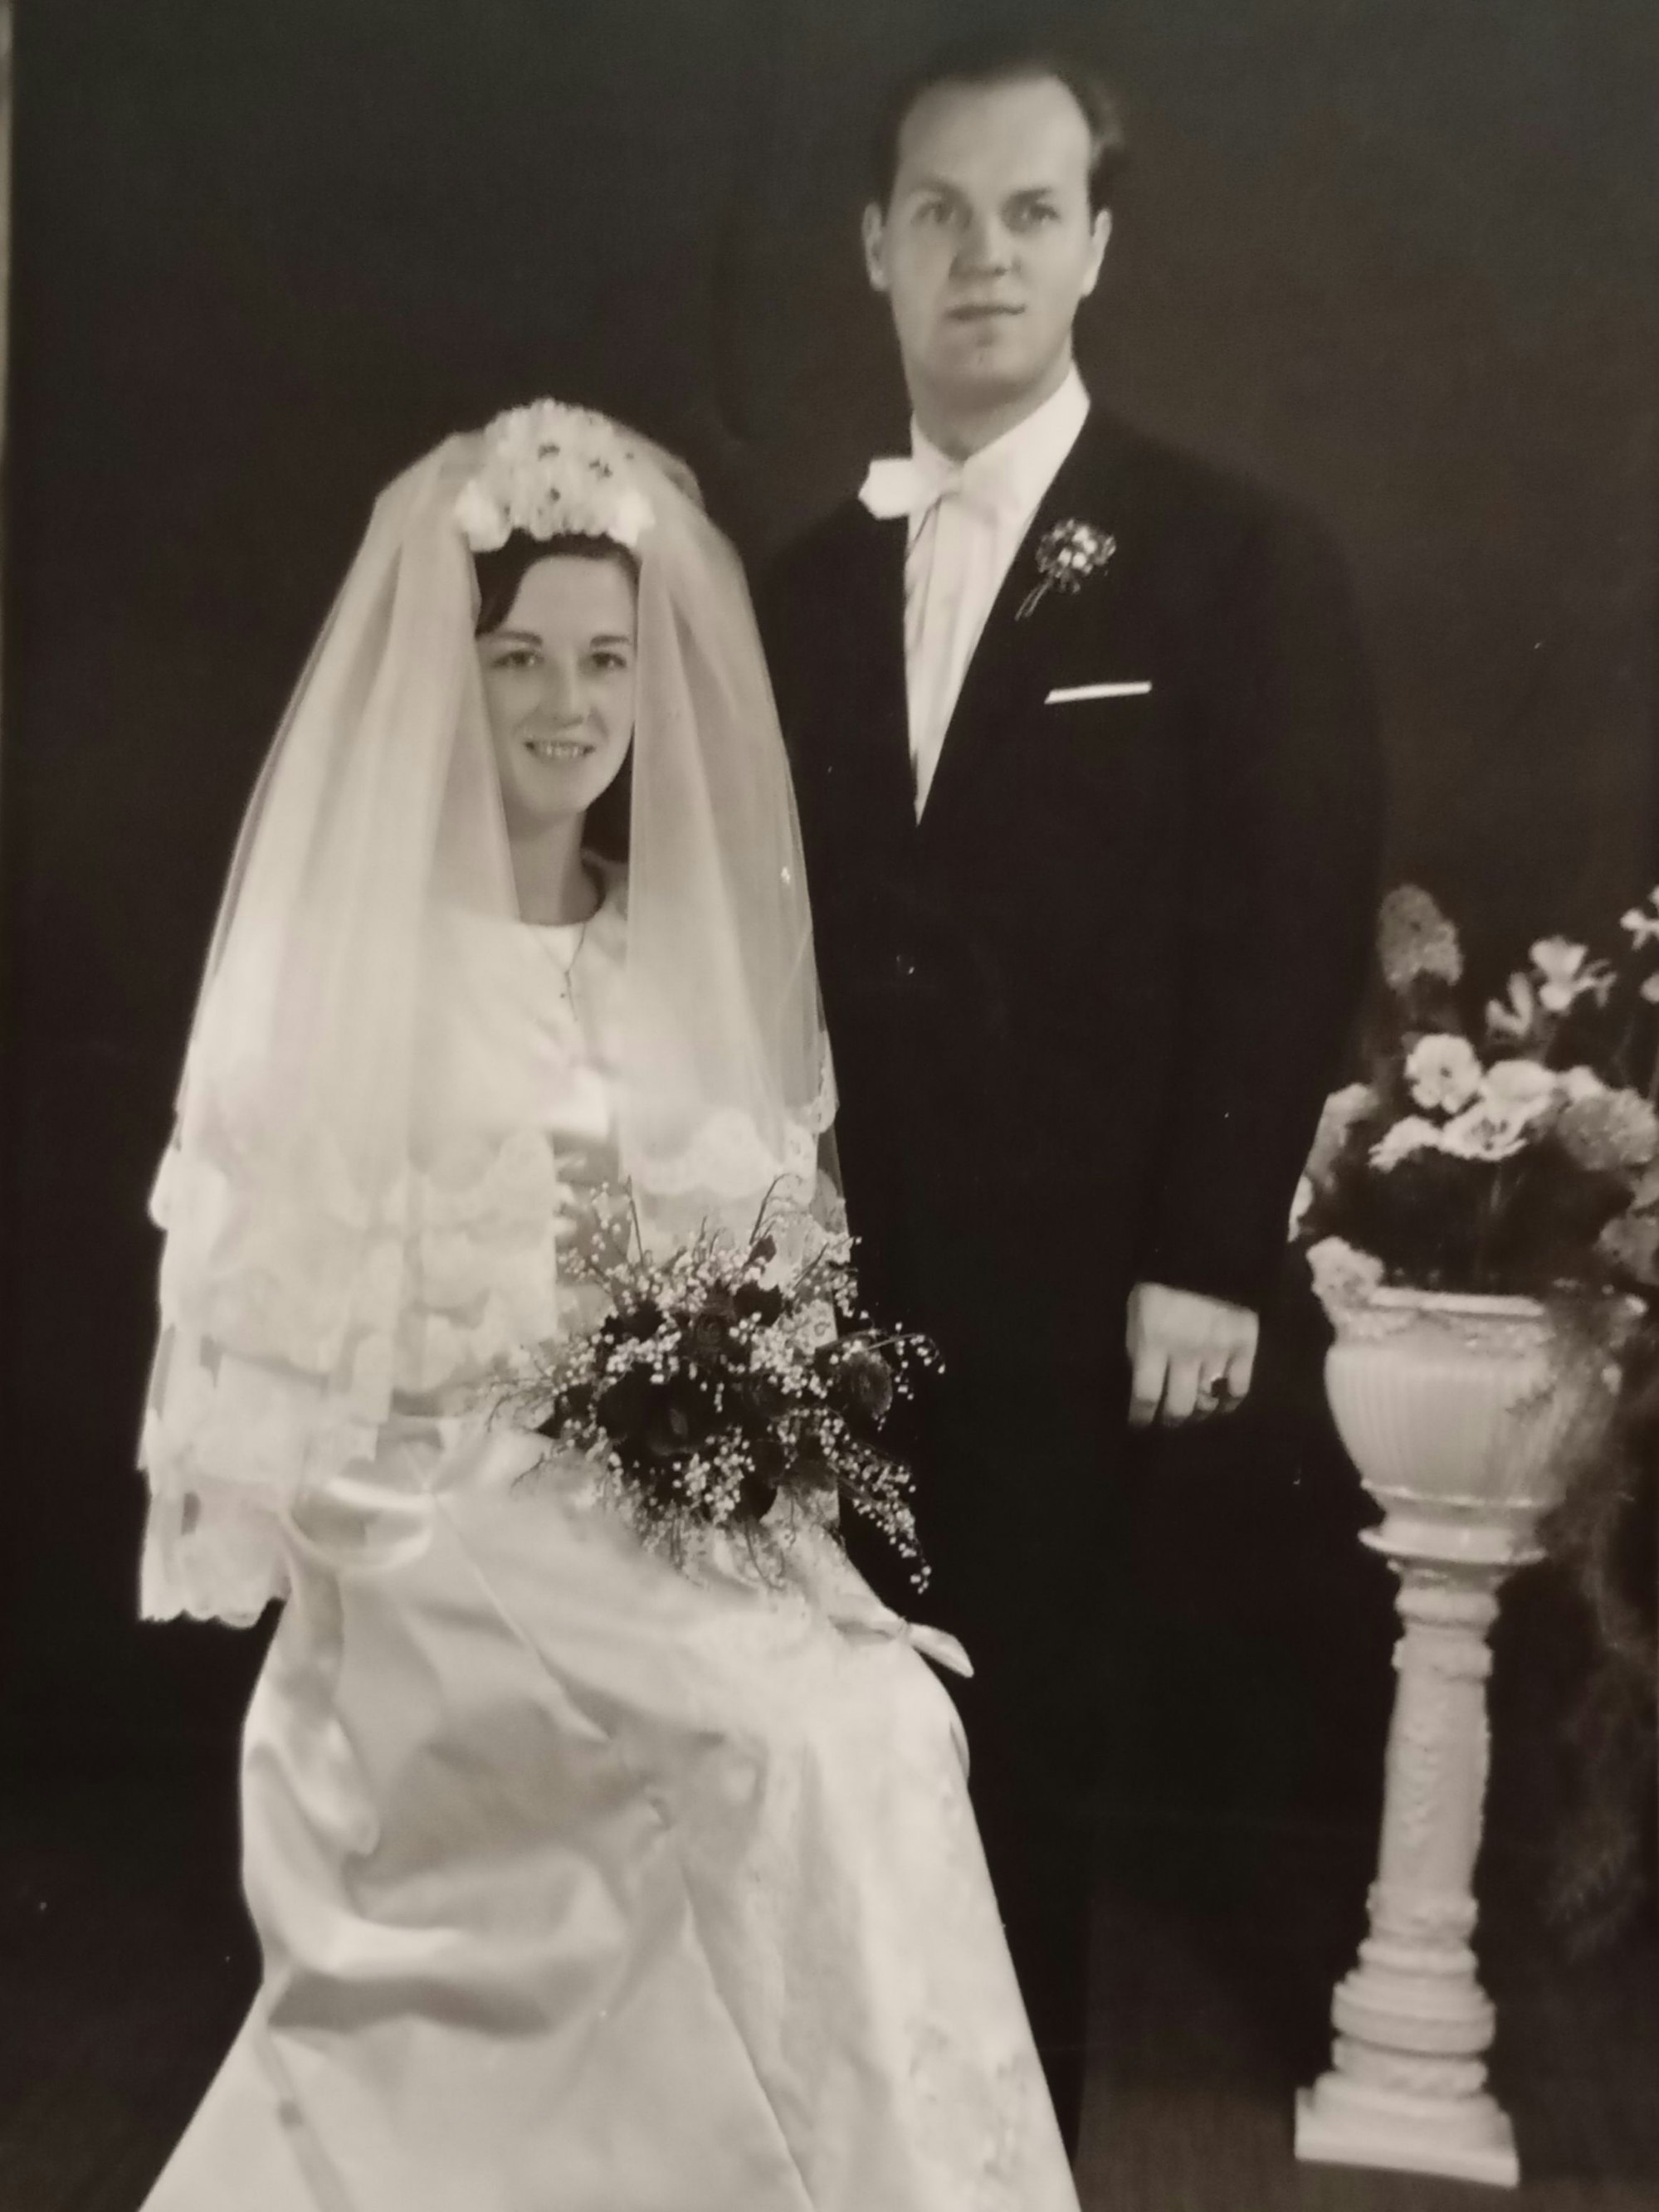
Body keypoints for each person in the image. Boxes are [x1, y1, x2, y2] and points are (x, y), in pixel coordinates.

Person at [136, 402, 1081, 2211]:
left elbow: (755, 1264)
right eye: (517, 661)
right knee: (770, 1742)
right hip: (431, 1515)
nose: (566, 703)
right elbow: (295, 1343)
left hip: (638, 1502)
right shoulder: (366, 968)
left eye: (602, 657)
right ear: (451, 677)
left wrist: (731, 1442)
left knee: (878, 1723)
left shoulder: (673, 942)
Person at [758, 37, 1384, 2155]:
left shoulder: (1227, 561)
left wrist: (1206, 1255)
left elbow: (1289, 924)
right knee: (811, 1759)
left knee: (1005, 1770)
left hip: (1081, 1299)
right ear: (872, 247)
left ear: (1097, 248)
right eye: (939, 211)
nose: (984, 256)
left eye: (1031, 214)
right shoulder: (791, 589)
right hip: (814, 1301)